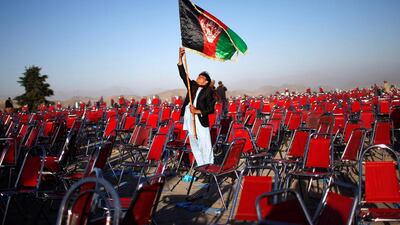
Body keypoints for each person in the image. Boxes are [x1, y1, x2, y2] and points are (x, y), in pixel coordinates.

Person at [178, 47, 216, 166]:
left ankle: (209, 165)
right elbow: (183, 75)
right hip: (189, 116)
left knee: (205, 143)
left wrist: (197, 111)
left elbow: (211, 109)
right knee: (194, 142)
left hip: (200, 119)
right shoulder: (192, 86)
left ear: (205, 82)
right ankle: (201, 166)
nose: (198, 77)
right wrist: (180, 58)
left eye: (201, 77)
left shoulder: (209, 91)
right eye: (198, 76)